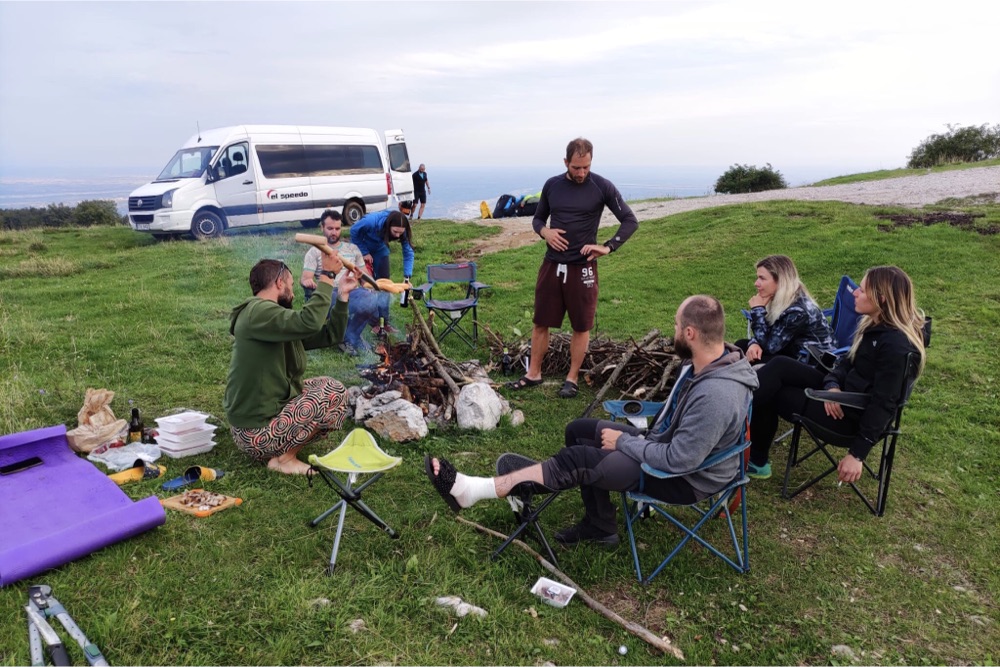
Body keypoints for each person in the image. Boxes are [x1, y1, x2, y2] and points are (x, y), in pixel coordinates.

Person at [427, 296, 758, 545]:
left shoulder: (717, 395)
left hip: (684, 477)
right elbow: (675, 422)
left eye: (675, 326)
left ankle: (475, 490)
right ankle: (600, 525)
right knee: (579, 431)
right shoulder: (703, 363)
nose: (673, 332)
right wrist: (636, 439)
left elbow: (679, 459)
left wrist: (625, 442)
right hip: (661, 445)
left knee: (580, 459)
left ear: (690, 332)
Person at [746, 266, 926, 480]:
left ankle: (754, 457)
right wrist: (832, 386)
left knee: (772, 391)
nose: (855, 293)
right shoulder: (875, 326)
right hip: (840, 393)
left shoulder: (895, 346)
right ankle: (731, 415)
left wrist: (857, 454)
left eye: (862, 290)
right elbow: (845, 364)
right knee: (780, 365)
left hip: (849, 418)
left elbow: (885, 403)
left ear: (882, 299)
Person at [506, 137, 639, 398]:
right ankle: (533, 373)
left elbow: (630, 221)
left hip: (583, 268)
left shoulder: (602, 186)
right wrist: (545, 232)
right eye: (576, 167)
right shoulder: (552, 185)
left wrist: (608, 247)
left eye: (586, 167)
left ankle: (572, 378)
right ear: (566, 162)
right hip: (552, 265)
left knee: (581, 325)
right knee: (541, 321)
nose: (581, 173)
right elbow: (538, 219)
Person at [224, 256, 359, 475]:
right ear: (279, 283)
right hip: (254, 434)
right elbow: (309, 322)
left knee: (323, 385)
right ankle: (283, 460)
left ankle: (282, 451)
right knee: (332, 391)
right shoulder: (257, 312)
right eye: (291, 284)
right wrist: (327, 276)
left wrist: (342, 295)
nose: (294, 293)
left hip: (260, 424)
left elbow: (329, 335)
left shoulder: (269, 318)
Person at [300, 209, 379, 352]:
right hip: (329, 291)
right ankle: (345, 337)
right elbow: (306, 277)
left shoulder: (352, 249)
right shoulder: (315, 251)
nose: (334, 232)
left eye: (337, 228)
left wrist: (371, 286)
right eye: (330, 228)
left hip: (351, 290)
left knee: (371, 299)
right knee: (336, 298)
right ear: (322, 227)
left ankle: (351, 335)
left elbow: (365, 276)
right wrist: (307, 282)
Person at [735, 255, 834, 364]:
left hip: (814, 363)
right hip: (790, 351)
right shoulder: (784, 298)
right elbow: (770, 333)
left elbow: (770, 348)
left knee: (761, 360)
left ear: (780, 281)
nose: (756, 283)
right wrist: (753, 343)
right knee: (742, 346)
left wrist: (757, 310)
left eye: (762, 278)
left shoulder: (797, 311)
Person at [348, 202, 415, 333]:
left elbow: (408, 252)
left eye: (400, 233)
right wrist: (364, 252)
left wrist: (407, 277)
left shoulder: (402, 230)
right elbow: (353, 231)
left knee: (385, 284)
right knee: (369, 286)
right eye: (395, 232)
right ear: (388, 225)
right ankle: (374, 323)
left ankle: (384, 322)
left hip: (379, 248)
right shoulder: (370, 221)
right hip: (360, 248)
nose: (397, 236)